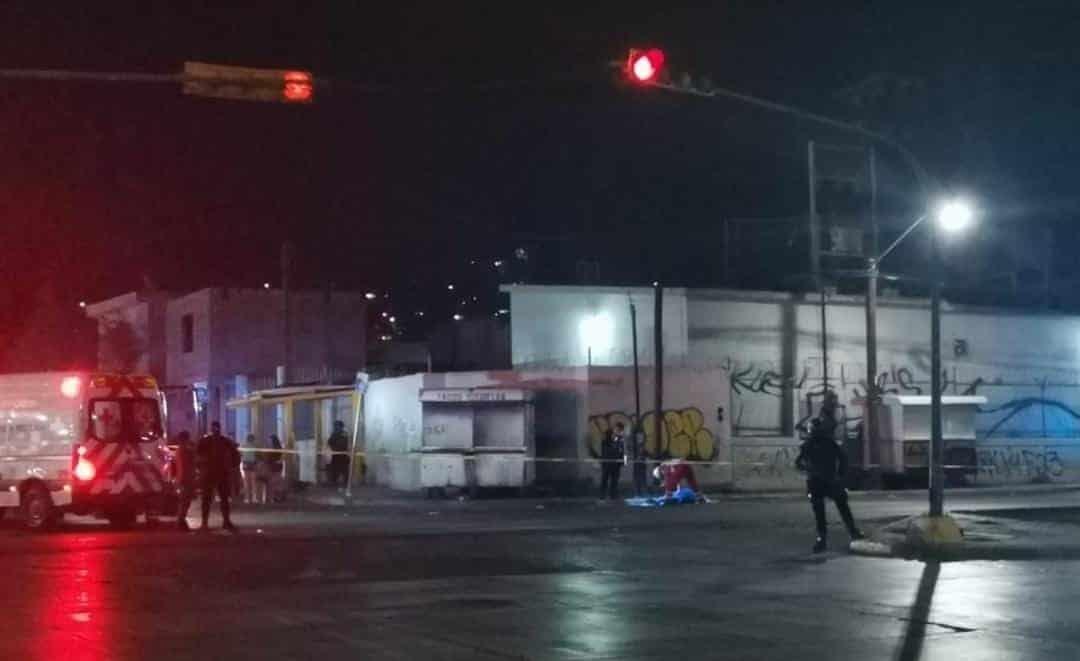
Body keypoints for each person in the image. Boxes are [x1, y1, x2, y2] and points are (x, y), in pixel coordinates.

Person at [796, 393, 863, 553]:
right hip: (829, 480)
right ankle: (851, 532)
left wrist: (808, 470)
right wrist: (840, 476)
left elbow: (799, 463)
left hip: (817, 481)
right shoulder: (828, 442)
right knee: (841, 507)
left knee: (821, 512)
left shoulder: (810, 444)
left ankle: (823, 539)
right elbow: (843, 459)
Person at [196, 421, 238, 532]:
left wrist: (201, 467)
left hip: (215, 473)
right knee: (215, 499)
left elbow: (235, 455)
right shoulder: (221, 441)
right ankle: (217, 522)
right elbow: (235, 455)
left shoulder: (213, 441)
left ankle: (213, 522)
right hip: (215, 473)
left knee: (215, 499)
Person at [173, 431, 197, 531]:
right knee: (185, 502)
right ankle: (181, 522)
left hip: (183, 479)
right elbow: (188, 464)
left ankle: (181, 521)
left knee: (184, 501)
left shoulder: (179, 450)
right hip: (186, 479)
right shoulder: (185, 451)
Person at [599, 422, 627, 499]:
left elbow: (624, 451)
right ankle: (602, 495)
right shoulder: (608, 435)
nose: (619, 431)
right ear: (615, 429)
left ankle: (613, 495)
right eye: (618, 430)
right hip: (607, 461)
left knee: (614, 480)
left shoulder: (621, 439)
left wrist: (624, 462)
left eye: (620, 430)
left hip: (616, 463)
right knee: (605, 479)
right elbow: (604, 447)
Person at [326, 420, 350, 488]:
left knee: (344, 471)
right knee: (334, 470)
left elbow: (342, 444)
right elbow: (329, 442)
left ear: (341, 427)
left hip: (343, 455)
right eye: (335, 426)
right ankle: (334, 483)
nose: (336, 427)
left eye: (337, 426)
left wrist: (336, 436)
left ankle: (346, 484)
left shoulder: (344, 434)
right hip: (336, 455)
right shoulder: (334, 434)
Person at [241, 434, 258, 504]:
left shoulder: (243, 445)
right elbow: (257, 455)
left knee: (246, 482)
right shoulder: (255, 446)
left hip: (245, 463)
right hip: (253, 464)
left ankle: (247, 498)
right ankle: (254, 498)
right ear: (253, 439)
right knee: (253, 482)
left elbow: (241, 454)